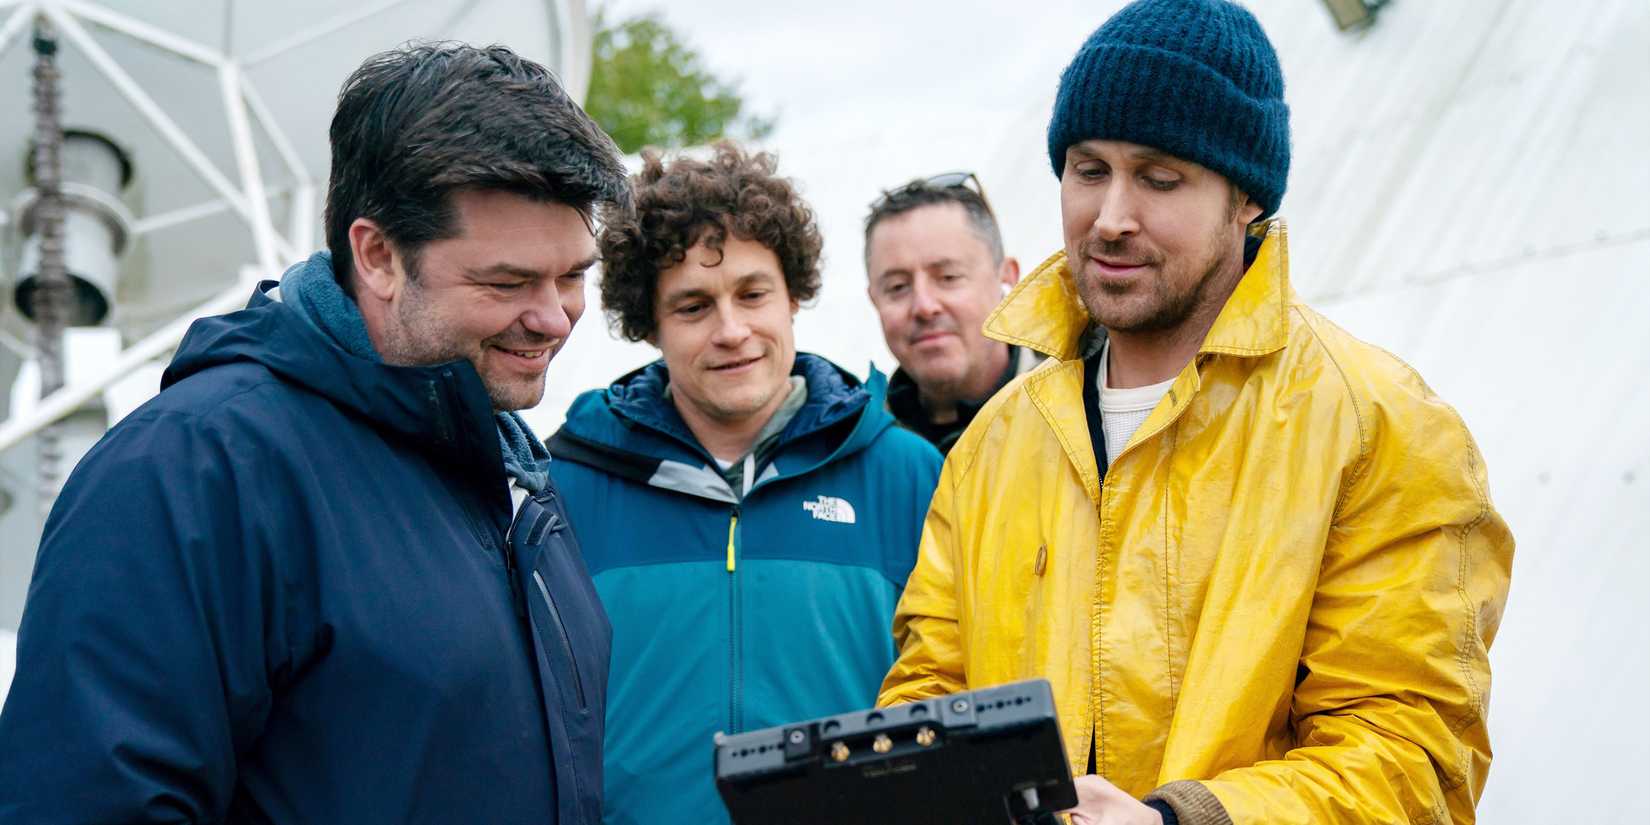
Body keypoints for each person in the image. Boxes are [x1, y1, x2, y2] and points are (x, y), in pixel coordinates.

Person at [876, 2, 1515, 824]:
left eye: (1160, 177)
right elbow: (930, 696)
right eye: (1088, 168)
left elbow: (1414, 757)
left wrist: (1184, 820)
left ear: (1246, 197)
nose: (1110, 217)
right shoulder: (995, 445)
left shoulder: (1381, 427)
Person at [0, 43, 628, 824]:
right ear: (377, 254)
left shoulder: (514, 481)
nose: (553, 316)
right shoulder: (190, 472)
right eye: (505, 282)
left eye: (572, 275)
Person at [546, 142, 942, 825]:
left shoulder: (907, 474)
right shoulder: (568, 488)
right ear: (651, 325)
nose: (732, 330)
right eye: (693, 306)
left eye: (752, 293)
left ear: (793, 296)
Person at [863, 172, 1037, 453]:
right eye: (897, 286)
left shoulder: (1081, 413)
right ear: (874, 299)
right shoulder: (857, 448)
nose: (924, 306)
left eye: (948, 277)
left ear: (1007, 277)